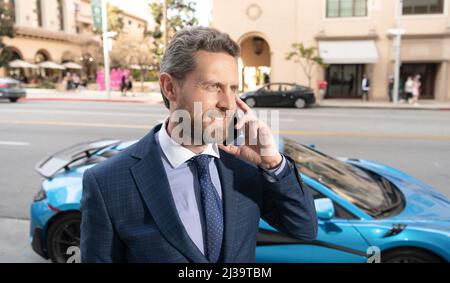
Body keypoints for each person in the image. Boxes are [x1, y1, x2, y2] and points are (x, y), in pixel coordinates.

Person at [80, 27, 318, 263]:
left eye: (233, 89)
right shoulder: (107, 183)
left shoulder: (247, 165)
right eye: (213, 86)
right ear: (170, 87)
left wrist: (273, 164)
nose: (227, 103)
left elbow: (304, 229)